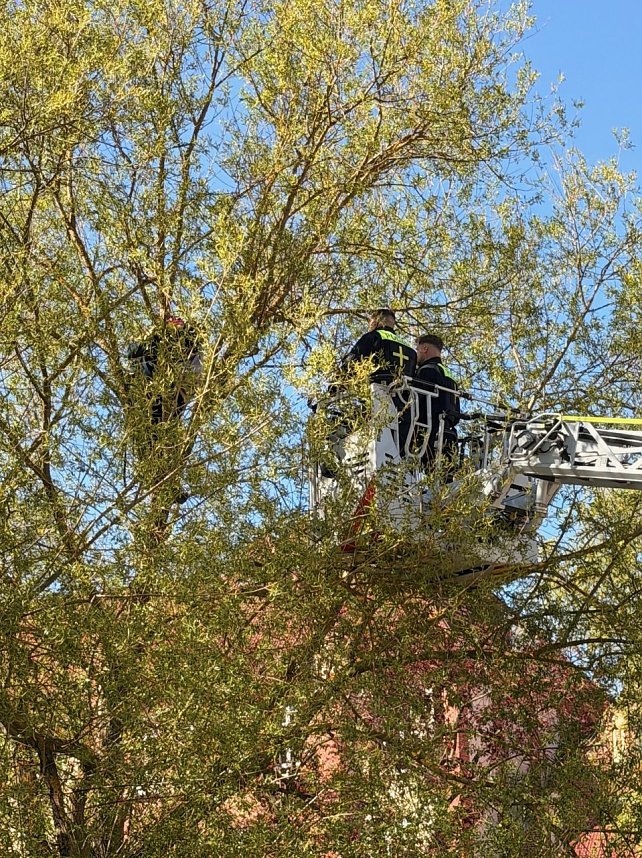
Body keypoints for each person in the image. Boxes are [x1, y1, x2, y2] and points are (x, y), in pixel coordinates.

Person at [126, 316, 202, 503]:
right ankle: (159, 477)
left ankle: (164, 478)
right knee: (149, 434)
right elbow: (133, 352)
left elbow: (194, 370)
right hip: (150, 390)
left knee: (160, 434)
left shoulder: (189, 340)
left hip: (172, 392)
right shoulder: (150, 339)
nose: (174, 322)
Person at [339, 308, 417, 457]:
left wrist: (334, 388)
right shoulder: (410, 350)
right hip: (405, 407)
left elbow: (351, 364)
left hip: (377, 401)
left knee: (342, 426)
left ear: (375, 321)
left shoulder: (373, 337)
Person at [414, 333, 460, 473]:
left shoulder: (427, 370)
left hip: (428, 433)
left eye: (417, 349)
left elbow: (415, 401)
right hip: (449, 434)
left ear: (424, 348)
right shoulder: (449, 375)